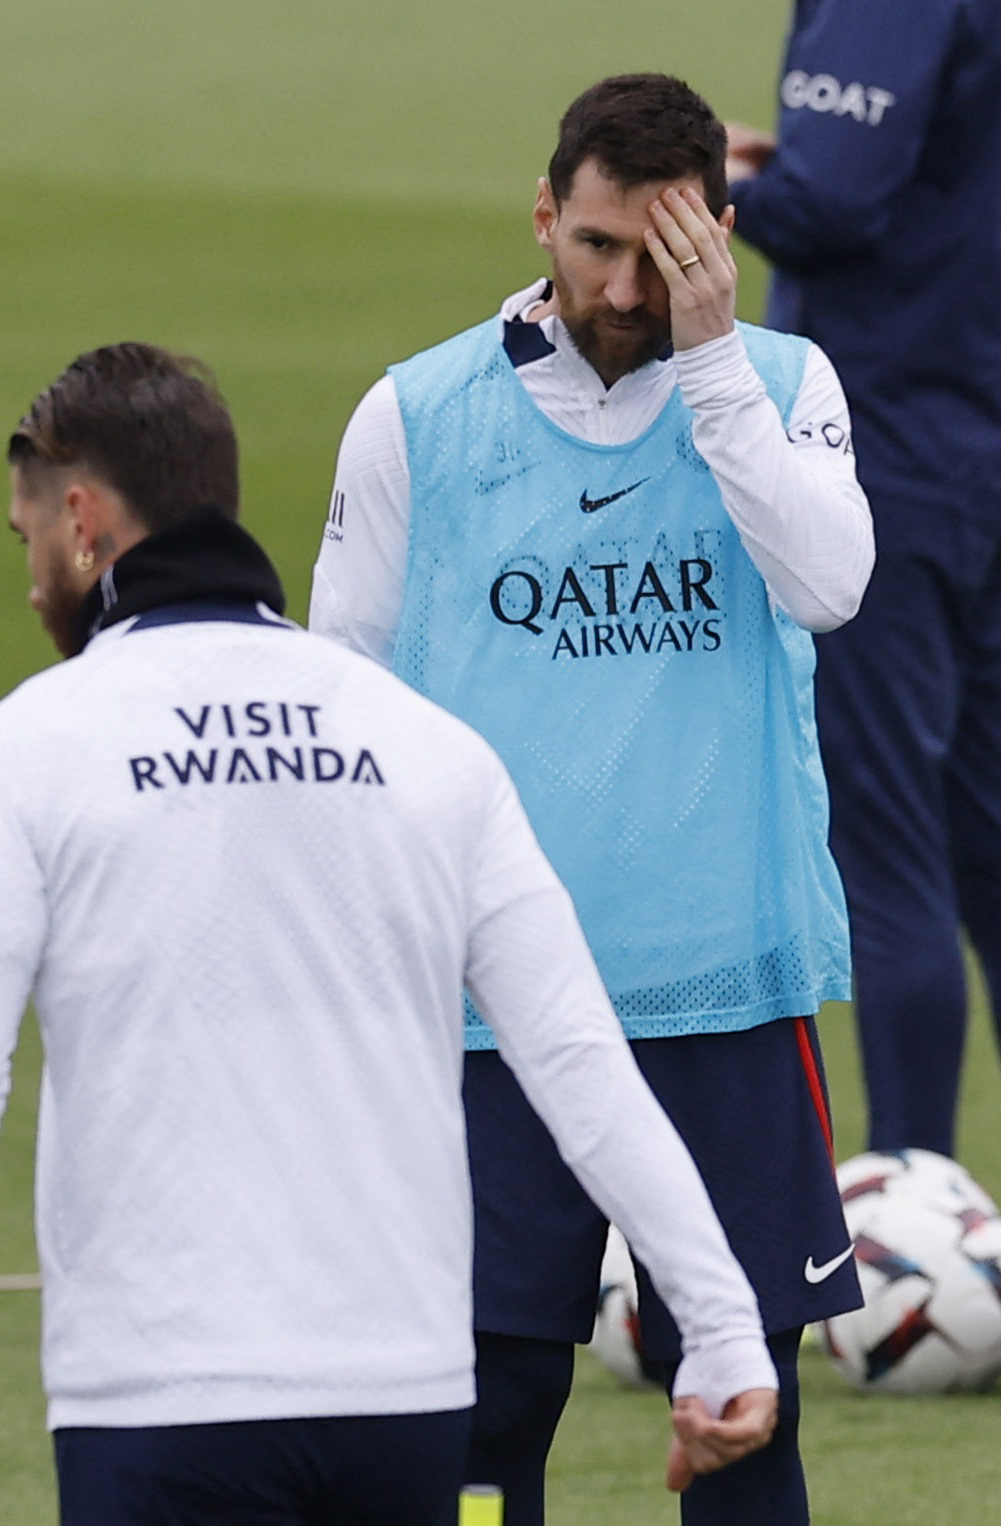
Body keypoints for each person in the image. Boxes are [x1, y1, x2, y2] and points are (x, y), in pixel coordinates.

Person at [0, 342, 780, 1525]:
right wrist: (720, 1329)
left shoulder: (26, 745)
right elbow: (581, 1064)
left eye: (27, 537)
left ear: (80, 520)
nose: (33, 578)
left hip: (158, 1399)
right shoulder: (427, 745)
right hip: (405, 1401)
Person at [311, 75, 872, 1524]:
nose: (622, 287)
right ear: (545, 213)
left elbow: (826, 587)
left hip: (724, 998)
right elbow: (340, 709)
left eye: (662, 254)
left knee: (749, 1404)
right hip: (487, 1005)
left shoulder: (786, 391)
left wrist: (710, 363)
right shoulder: (414, 417)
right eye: (598, 244)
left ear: (719, 237)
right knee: (486, 1415)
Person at [724, 0, 1001, 1255]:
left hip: (887, 453)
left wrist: (704, 182)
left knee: (885, 849)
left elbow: (830, 200)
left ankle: (909, 1245)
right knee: (995, 841)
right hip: (999, 439)